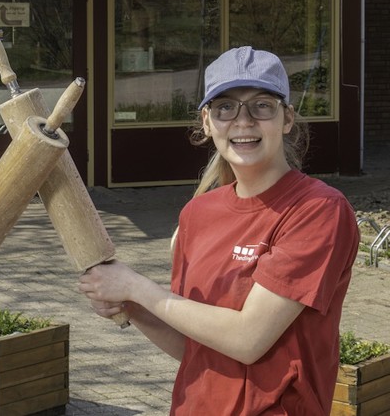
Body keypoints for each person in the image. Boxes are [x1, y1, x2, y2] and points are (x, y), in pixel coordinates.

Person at [79, 46, 359, 415]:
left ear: (287, 118)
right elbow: (193, 347)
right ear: (207, 122)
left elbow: (247, 339)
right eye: (225, 107)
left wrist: (136, 287)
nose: (243, 122)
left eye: (262, 105)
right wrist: (134, 309)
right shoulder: (197, 214)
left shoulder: (318, 210)